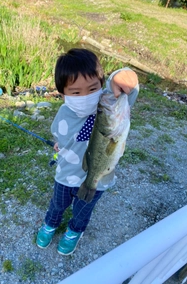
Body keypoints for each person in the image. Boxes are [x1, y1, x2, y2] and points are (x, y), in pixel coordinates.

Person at [36, 48, 139, 256]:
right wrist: (58, 144)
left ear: (101, 85)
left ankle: (75, 231)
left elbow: (129, 86)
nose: (85, 96)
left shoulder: (109, 104)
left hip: (97, 178)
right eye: (75, 92)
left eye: (93, 88)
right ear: (63, 94)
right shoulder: (64, 112)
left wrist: (121, 75)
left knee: (82, 211)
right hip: (65, 176)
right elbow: (60, 134)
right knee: (57, 204)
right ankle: (50, 224)